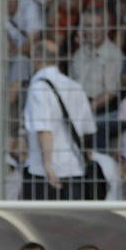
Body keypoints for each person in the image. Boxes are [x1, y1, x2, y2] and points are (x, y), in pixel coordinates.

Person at [22, 39, 97, 201]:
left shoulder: (38, 87)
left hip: (46, 173)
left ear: (36, 57)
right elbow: (88, 129)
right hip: (75, 167)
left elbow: (44, 129)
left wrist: (48, 164)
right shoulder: (74, 86)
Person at [69, 7, 124, 151]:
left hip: (101, 108)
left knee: (96, 127)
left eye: (98, 25)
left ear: (106, 28)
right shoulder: (79, 54)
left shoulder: (113, 54)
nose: (93, 30)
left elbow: (111, 92)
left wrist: (86, 108)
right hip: (77, 106)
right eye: (88, 26)